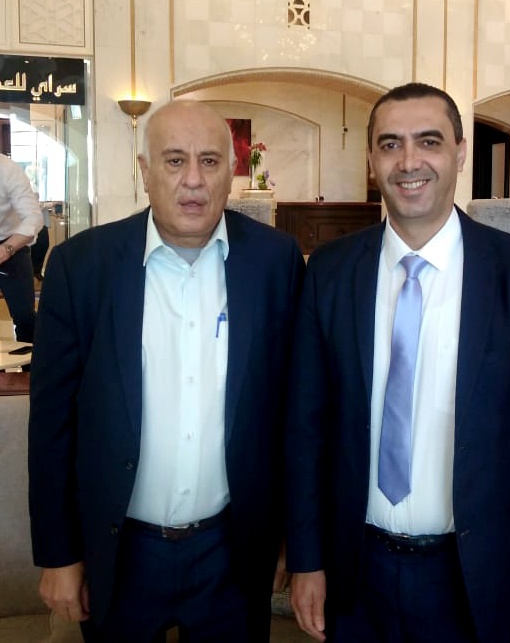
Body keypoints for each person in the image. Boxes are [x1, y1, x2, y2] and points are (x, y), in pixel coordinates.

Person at [285, 83, 510, 643]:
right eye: (390, 144)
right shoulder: (329, 273)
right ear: (372, 159)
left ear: (459, 152)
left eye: (428, 141)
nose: (409, 162)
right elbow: (307, 430)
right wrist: (307, 560)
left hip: (481, 582)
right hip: (357, 577)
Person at [29, 100, 305, 642]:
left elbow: (293, 414)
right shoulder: (81, 266)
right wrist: (59, 554)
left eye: (210, 161)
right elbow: (52, 424)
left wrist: (291, 535)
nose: (193, 180)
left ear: (232, 171)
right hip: (119, 551)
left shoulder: (275, 263)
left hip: (232, 550)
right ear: (145, 170)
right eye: (175, 161)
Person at [0, 153, 43, 342]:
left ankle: (33, 360)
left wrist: (7, 249)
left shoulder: (8, 169)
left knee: (24, 316)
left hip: (12, 244)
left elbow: (34, 217)